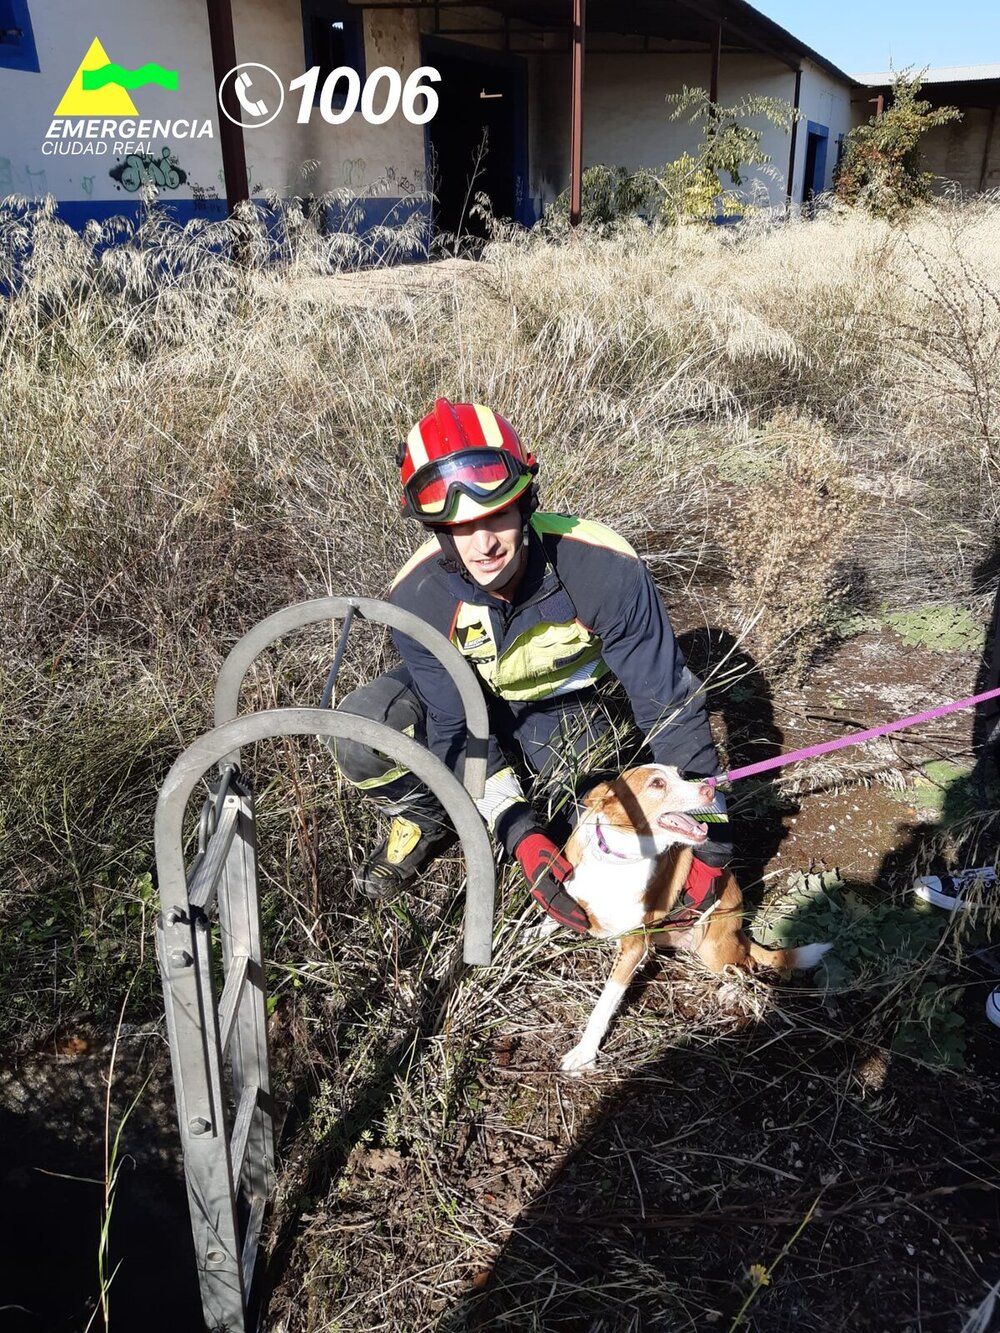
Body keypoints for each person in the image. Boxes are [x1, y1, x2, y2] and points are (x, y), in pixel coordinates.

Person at [331, 398, 730, 934]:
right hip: (474, 705)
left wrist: (714, 846)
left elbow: (671, 710)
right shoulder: (416, 598)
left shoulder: (603, 568)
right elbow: (456, 727)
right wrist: (519, 832)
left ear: (526, 502)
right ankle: (424, 817)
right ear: (437, 531)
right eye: (460, 526)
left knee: (586, 823)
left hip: (561, 707)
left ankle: (536, 788)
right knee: (362, 729)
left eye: (497, 514)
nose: (484, 543)